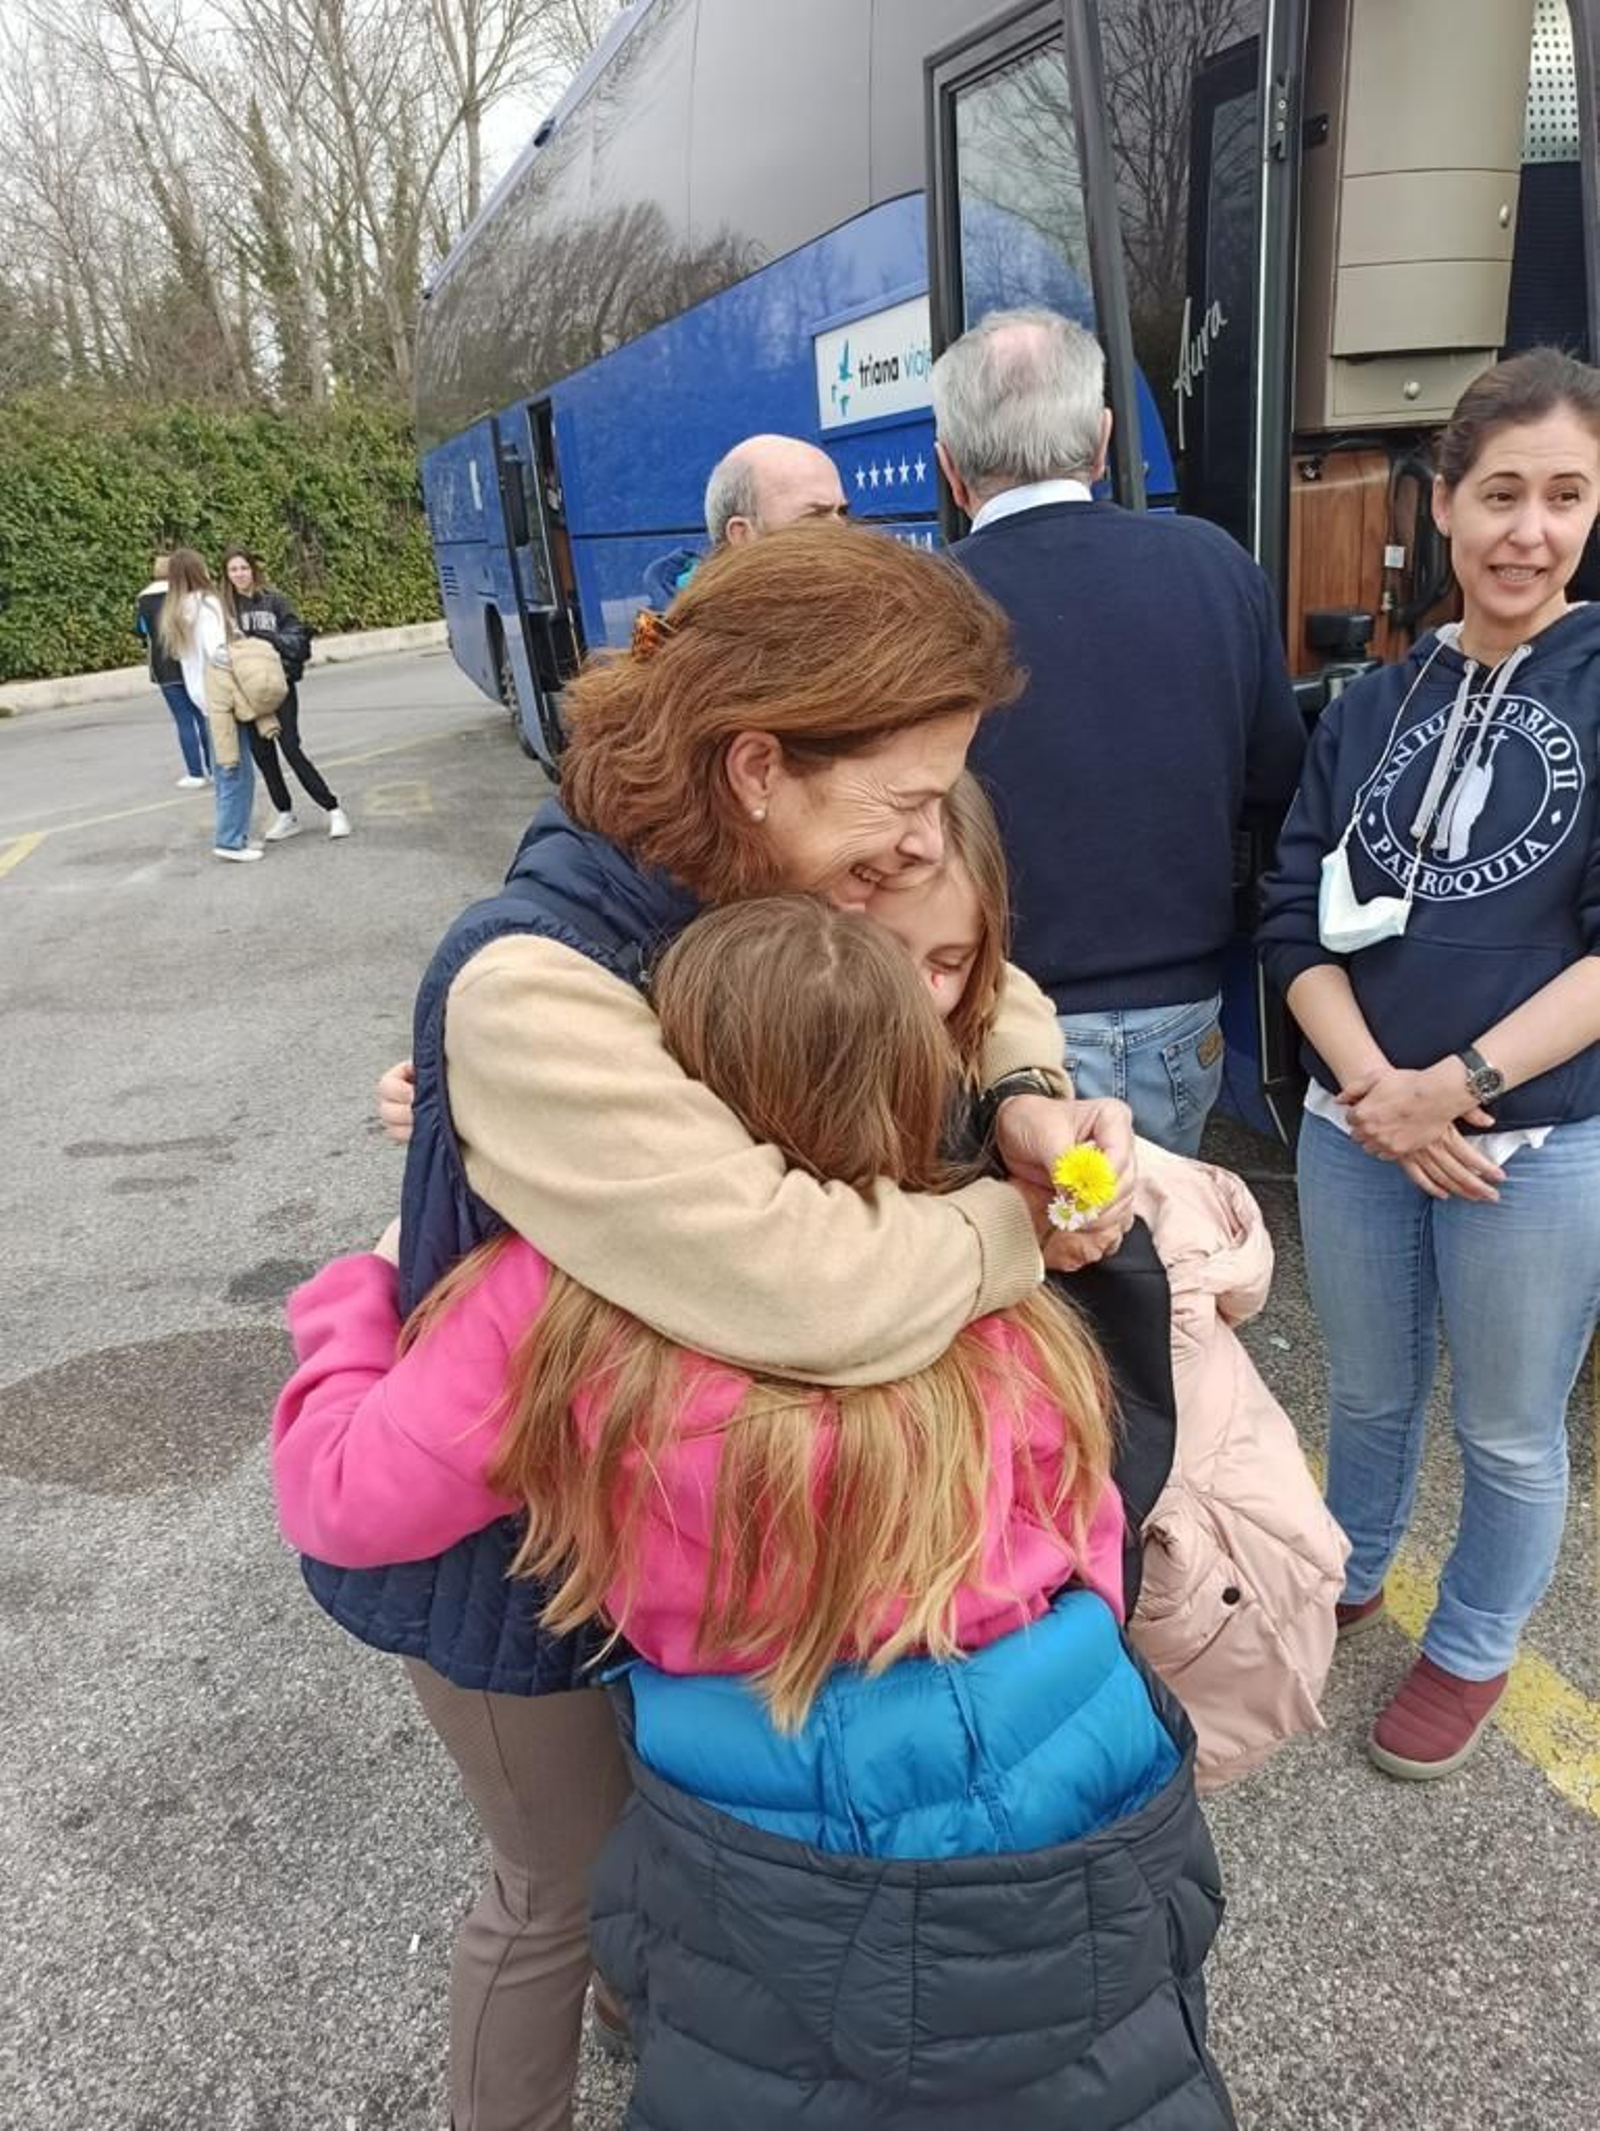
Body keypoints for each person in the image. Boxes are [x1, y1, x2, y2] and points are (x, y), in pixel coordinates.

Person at [299, 523, 1137, 2131]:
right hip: (510, 1554)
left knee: (655, 1878)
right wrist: (1013, 1223)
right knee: (549, 1891)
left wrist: (1023, 1091)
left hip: (666, 1537)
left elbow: (973, 969)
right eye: (897, 804)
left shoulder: (759, 877)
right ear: (757, 767)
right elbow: (805, 1283)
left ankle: (658, 1999)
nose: (919, 841)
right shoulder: (534, 990)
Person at [276, 893, 1231, 2130]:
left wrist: (361, 1287)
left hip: (768, 1826)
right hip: (1077, 1782)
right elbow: (1090, 1522)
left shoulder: (554, 1296)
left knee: (784, 2068)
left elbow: (341, 1498)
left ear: (668, 1097)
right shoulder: (995, 1271)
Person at [375, 769, 1345, 1786]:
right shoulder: (683, 1193)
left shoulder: (1021, 1174)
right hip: (962, 1750)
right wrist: (497, 1100)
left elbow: (1124, 1492)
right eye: (877, 957)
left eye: (951, 962)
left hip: (763, 1755)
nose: (915, 1001)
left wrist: (1024, 1106)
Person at [1258, 346, 1600, 1781]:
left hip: (1522, 1147)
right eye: (1503, 491)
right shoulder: (1371, 705)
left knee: (1512, 1427)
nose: (1531, 528)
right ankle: (1354, 1558)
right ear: (1445, 505)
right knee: (1376, 1390)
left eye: (1568, 494)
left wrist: (1446, 1085)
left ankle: (1470, 1639)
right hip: (1360, 1131)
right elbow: (1294, 911)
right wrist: (1373, 1096)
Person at [931, 306, 1308, 1155]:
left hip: (989, 1016)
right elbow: (1275, 782)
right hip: (1177, 1014)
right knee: (1163, 1260)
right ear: (1104, 443)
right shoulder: (1217, 565)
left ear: (951, 470)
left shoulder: (920, 600)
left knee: (1019, 1268)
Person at [221, 546, 350, 842]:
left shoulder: (275, 601)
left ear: (253, 569)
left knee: (290, 747)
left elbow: (298, 639)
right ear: (226, 575)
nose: (239, 574)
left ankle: (333, 808)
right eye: (233, 569)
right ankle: (285, 814)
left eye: (243, 567)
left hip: (278, 684)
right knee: (263, 755)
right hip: (244, 691)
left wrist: (269, 639)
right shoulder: (224, 609)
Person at [640, 434, 849, 605]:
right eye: (815, 517)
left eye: (841, 512)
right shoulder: (674, 649)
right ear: (742, 536)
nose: (842, 532)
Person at [158, 548, 261, 863]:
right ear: (199, 570)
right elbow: (218, 651)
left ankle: (236, 835)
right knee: (237, 771)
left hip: (202, 699)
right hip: (222, 697)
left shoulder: (176, 610)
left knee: (226, 767)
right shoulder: (207, 604)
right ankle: (230, 840)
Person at [135, 552, 212, 787]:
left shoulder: (144, 599)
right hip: (191, 661)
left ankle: (195, 773)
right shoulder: (185, 594)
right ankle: (215, 766)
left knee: (183, 720)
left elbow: (141, 630)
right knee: (204, 716)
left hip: (163, 666)